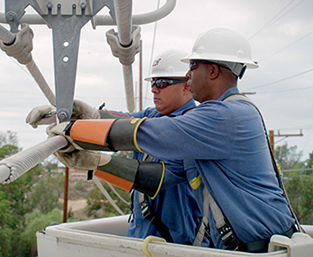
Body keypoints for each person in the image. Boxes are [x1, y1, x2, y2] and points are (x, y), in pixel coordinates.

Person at [47, 28, 298, 252]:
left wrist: (72, 130)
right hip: (245, 246)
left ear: (212, 71)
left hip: (264, 248)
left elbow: (151, 133)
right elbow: (160, 176)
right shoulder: (210, 124)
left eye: (192, 67)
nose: (188, 75)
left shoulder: (226, 115)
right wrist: (92, 151)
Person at [26, 50, 203, 245]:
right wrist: (68, 114)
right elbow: (117, 124)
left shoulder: (195, 128)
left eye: (161, 83)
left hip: (176, 245)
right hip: (139, 240)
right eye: (153, 83)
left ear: (186, 86)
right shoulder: (153, 116)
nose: (154, 89)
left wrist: (95, 162)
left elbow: (160, 177)